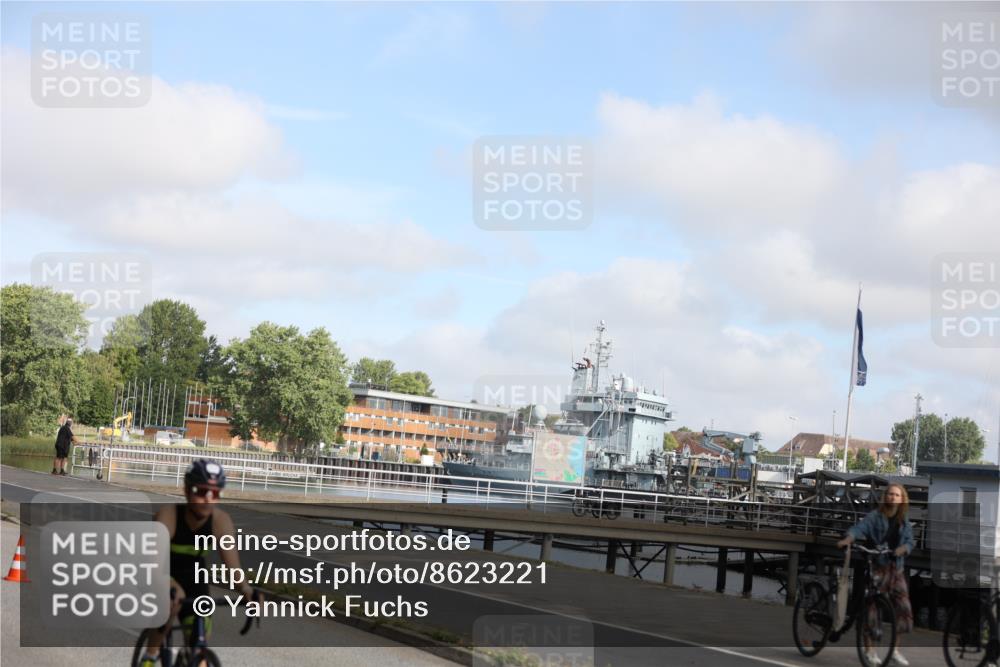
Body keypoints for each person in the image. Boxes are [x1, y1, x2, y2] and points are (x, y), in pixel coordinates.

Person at [139, 459, 259, 667]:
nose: (208, 499)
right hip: (159, 573)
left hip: (194, 578)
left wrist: (247, 590)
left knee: (198, 644)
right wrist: (169, 586)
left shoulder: (221, 521)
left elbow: (234, 569)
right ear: (186, 490)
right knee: (169, 603)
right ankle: (150, 656)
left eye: (215, 493)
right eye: (201, 491)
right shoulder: (168, 516)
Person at [837, 482, 915, 667]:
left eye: (896, 495)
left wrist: (904, 548)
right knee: (871, 609)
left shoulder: (904, 520)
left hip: (896, 569)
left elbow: (911, 541)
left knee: (904, 609)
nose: (892, 498)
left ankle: (894, 650)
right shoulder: (875, 517)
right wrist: (848, 538)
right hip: (877, 566)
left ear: (902, 498)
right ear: (885, 496)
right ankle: (869, 650)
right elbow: (860, 528)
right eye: (890, 494)